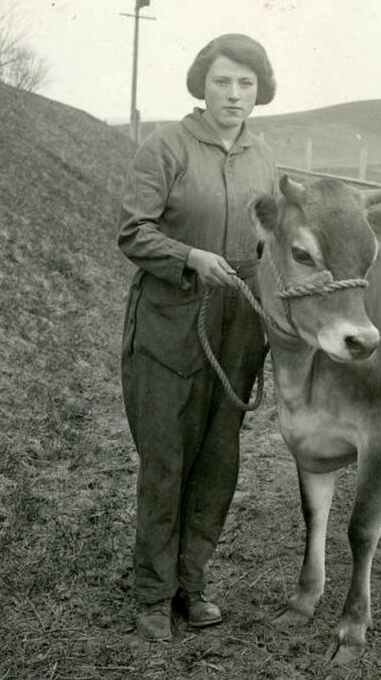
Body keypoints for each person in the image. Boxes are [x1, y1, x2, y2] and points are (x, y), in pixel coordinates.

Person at [117, 33, 278, 643]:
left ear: (260, 91)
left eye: (245, 83)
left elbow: (275, 246)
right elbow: (133, 232)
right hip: (171, 320)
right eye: (222, 81)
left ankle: (192, 584)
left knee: (217, 462)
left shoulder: (264, 157)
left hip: (238, 327)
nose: (233, 94)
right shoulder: (167, 147)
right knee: (167, 459)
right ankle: (152, 596)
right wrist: (189, 256)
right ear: (201, 84)